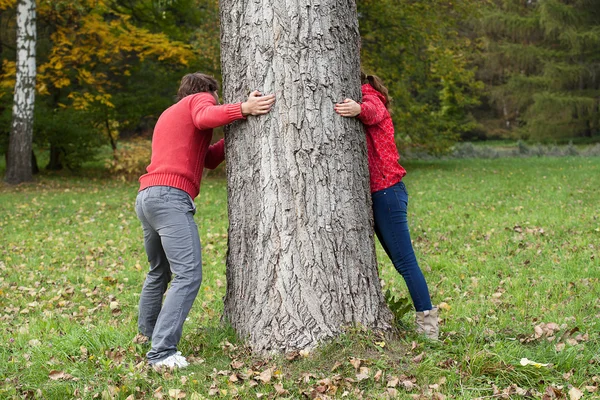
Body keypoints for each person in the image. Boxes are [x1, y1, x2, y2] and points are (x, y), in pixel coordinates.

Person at [135, 72, 275, 368]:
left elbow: (208, 158)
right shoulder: (200, 100)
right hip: (170, 197)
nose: (214, 101)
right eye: (215, 96)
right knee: (188, 275)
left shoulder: (170, 114)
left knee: (159, 272)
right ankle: (161, 353)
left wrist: (237, 130)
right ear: (207, 91)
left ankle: (147, 336)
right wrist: (243, 108)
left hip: (147, 196)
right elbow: (205, 116)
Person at [334, 72, 438, 340]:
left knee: (405, 262)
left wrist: (358, 108)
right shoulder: (369, 94)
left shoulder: (371, 96)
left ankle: (428, 326)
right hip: (380, 194)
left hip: (387, 193)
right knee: (400, 262)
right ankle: (426, 322)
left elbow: (372, 111)